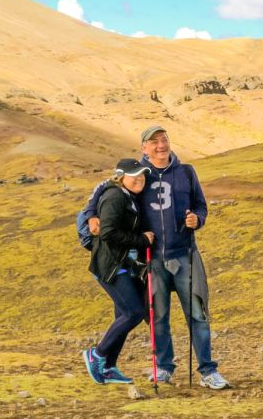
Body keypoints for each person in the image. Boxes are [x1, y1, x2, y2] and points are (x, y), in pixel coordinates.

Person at [138, 125, 230, 389]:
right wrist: (92, 216)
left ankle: (208, 371)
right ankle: (163, 368)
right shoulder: (138, 175)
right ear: (144, 148)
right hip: (153, 259)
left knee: (198, 313)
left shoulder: (186, 172)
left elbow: (201, 206)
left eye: (164, 139)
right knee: (158, 317)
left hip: (185, 255)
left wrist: (196, 219)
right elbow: (113, 194)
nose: (160, 145)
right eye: (154, 142)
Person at [82, 158, 156, 385]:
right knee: (133, 313)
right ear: (122, 177)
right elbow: (108, 232)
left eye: (142, 175)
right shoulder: (115, 196)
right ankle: (97, 355)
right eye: (134, 175)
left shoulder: (129, 196)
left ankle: (109, 367)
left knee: (122, 316)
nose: (139, 179)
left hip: (124, 264)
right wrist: (141, 240)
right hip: (111, 265)